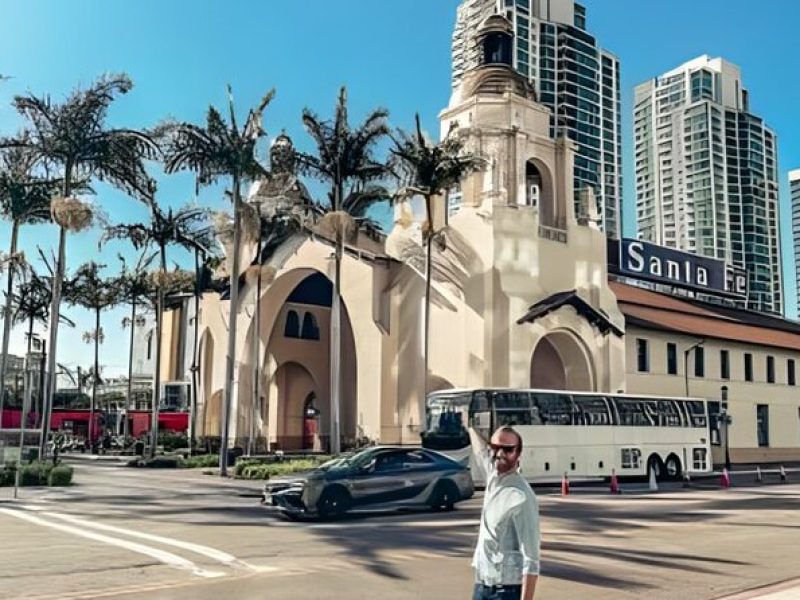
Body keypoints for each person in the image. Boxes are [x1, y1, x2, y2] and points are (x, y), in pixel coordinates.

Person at [469, 425, 540, 600]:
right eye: (495, 448)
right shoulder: (493, 477)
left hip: (505, 591)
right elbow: (478, 448)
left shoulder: (521, 496)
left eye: (508, 449)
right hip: (481, 585)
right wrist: (470, 422)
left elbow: (531, 558)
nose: (500, 453)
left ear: (518, 454)